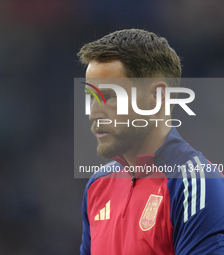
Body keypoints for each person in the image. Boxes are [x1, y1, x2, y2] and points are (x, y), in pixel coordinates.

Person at [77, 29, 224, 255]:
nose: (93, 113)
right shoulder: (97, 185)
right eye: (91, 98)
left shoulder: (197, 184)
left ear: (157, 97)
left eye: (110, 96)